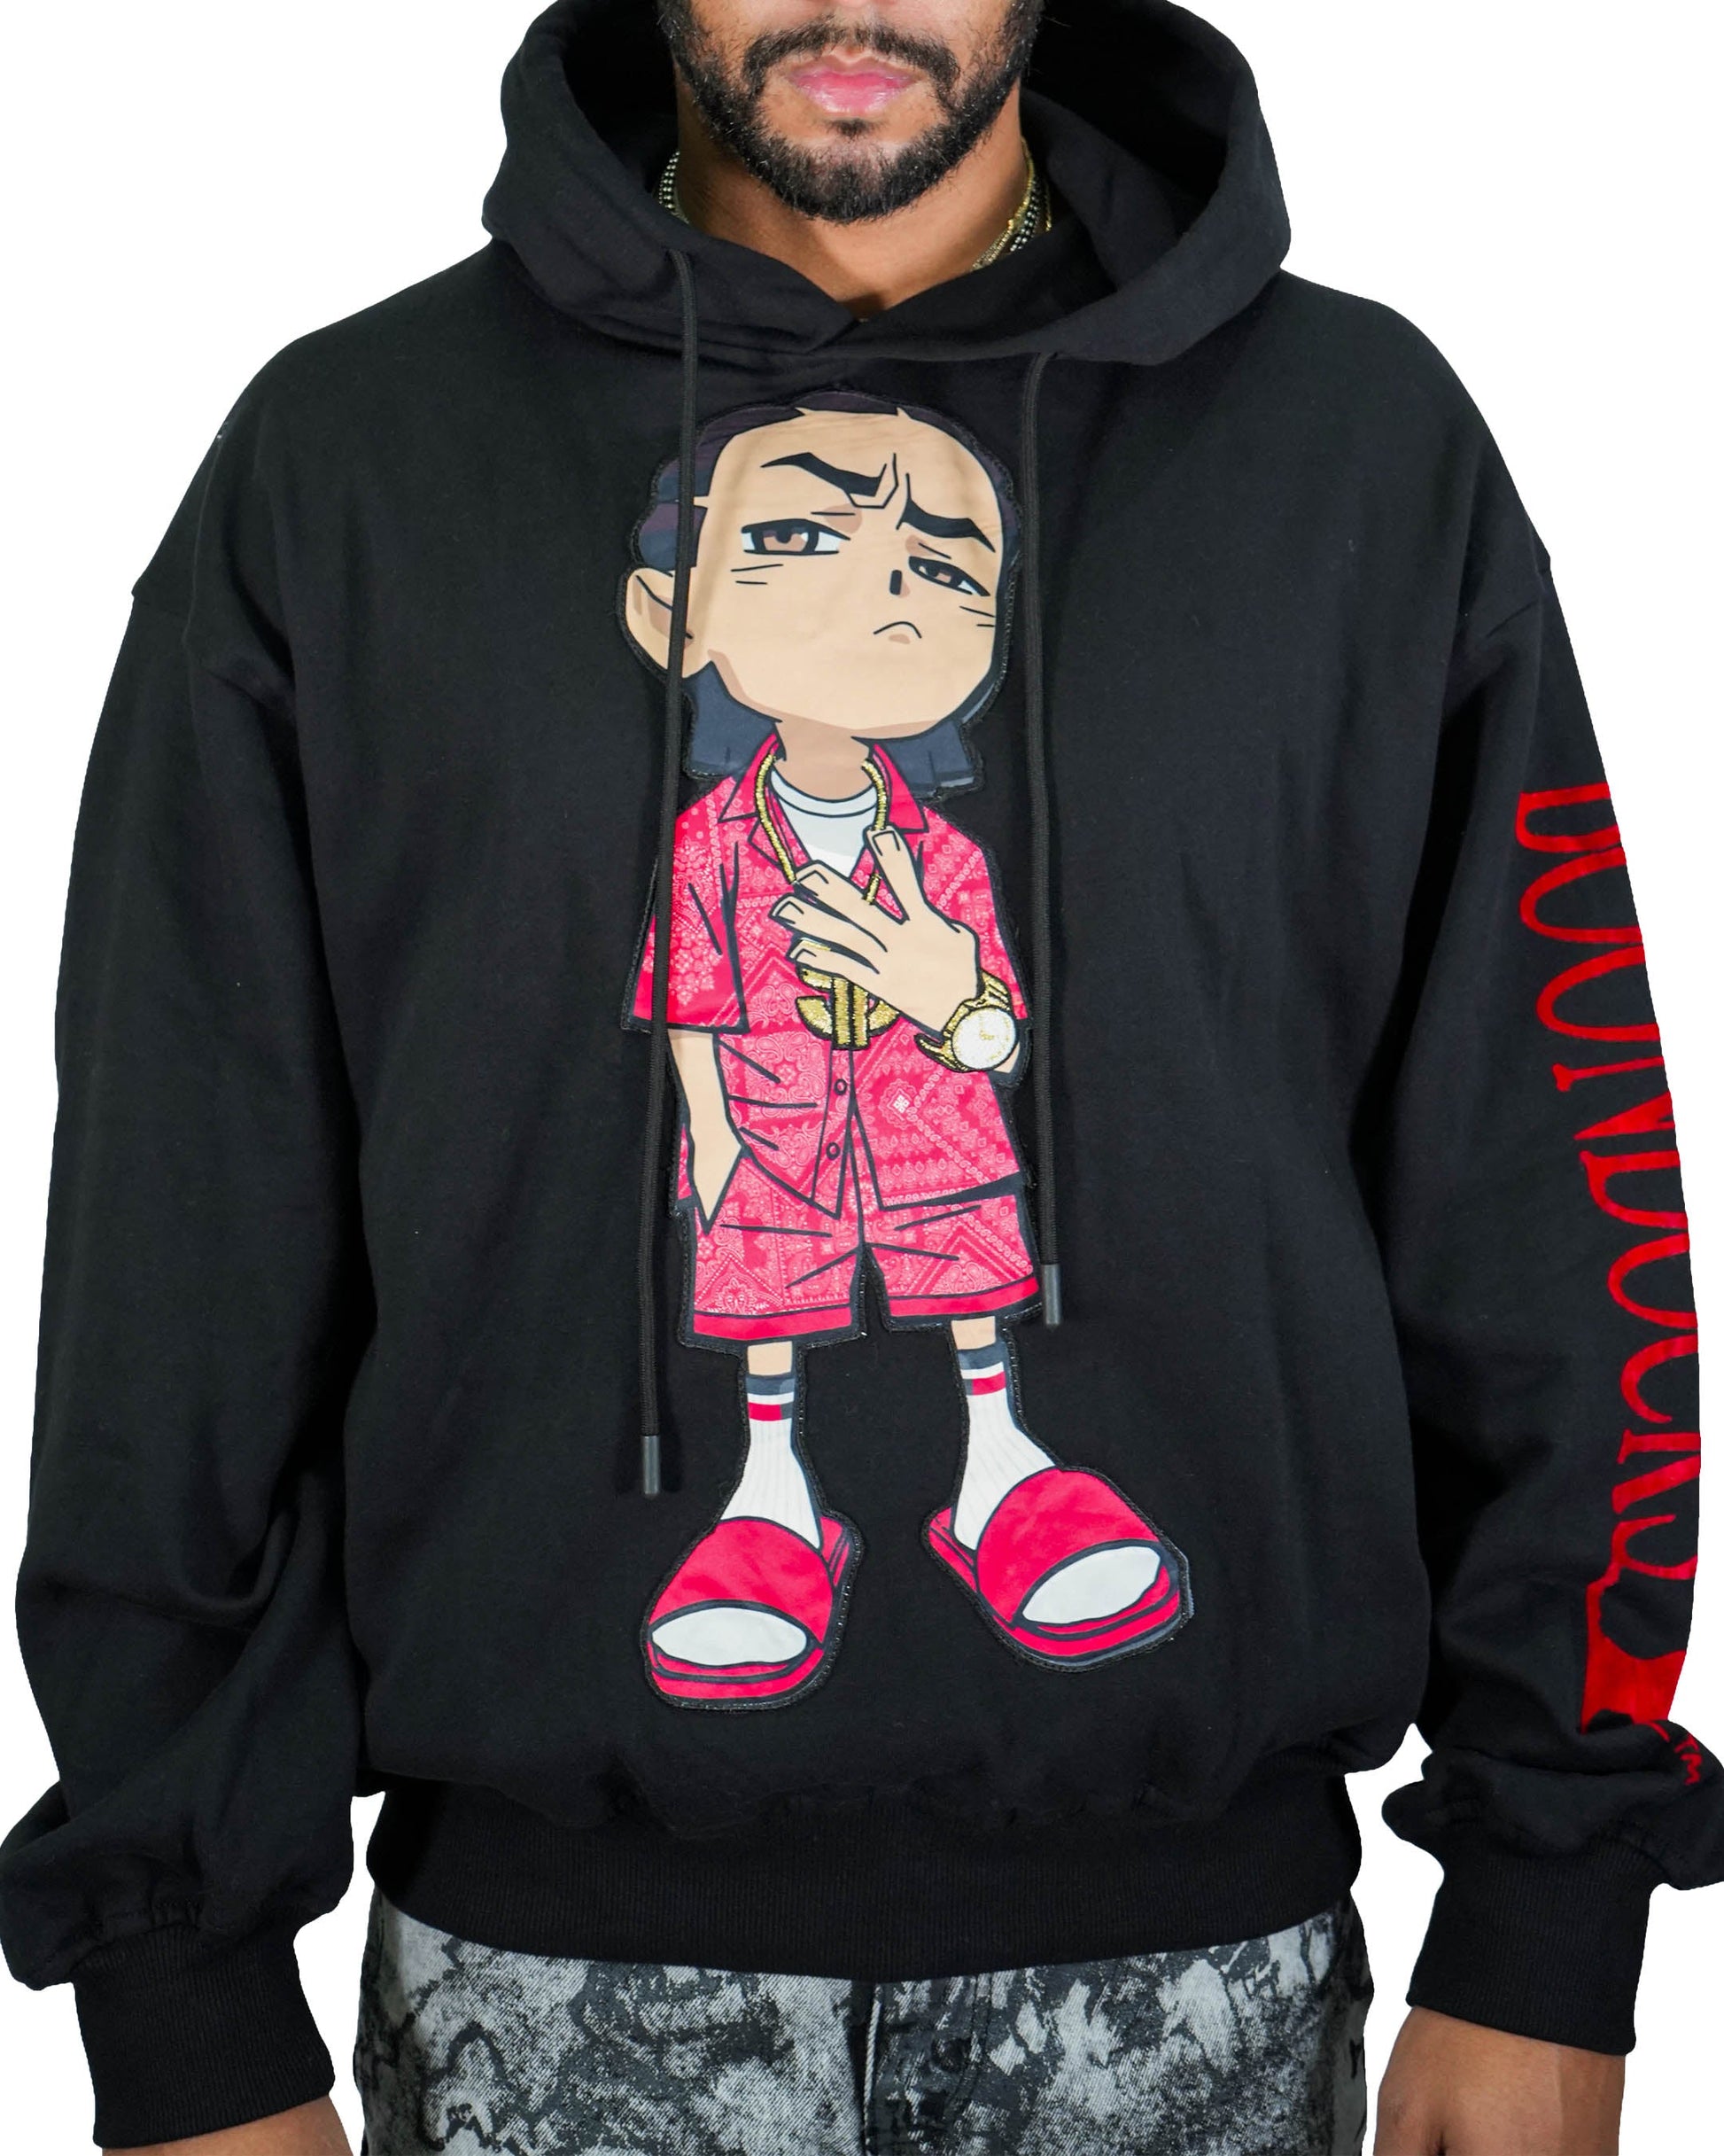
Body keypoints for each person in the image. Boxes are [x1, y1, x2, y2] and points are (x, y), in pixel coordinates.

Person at [1, 1, 1716, 2152]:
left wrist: (1551, 1899)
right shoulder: (347, 461)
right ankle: (769, 1503)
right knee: (776, 1285)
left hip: (1200, 1977)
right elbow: (186, 1226)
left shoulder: (1361, 449)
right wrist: (178, 1980)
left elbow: (1543, 1191)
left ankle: (1007, 1477)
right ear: (678, 607)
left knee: (959, 1254)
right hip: (546, 1989)